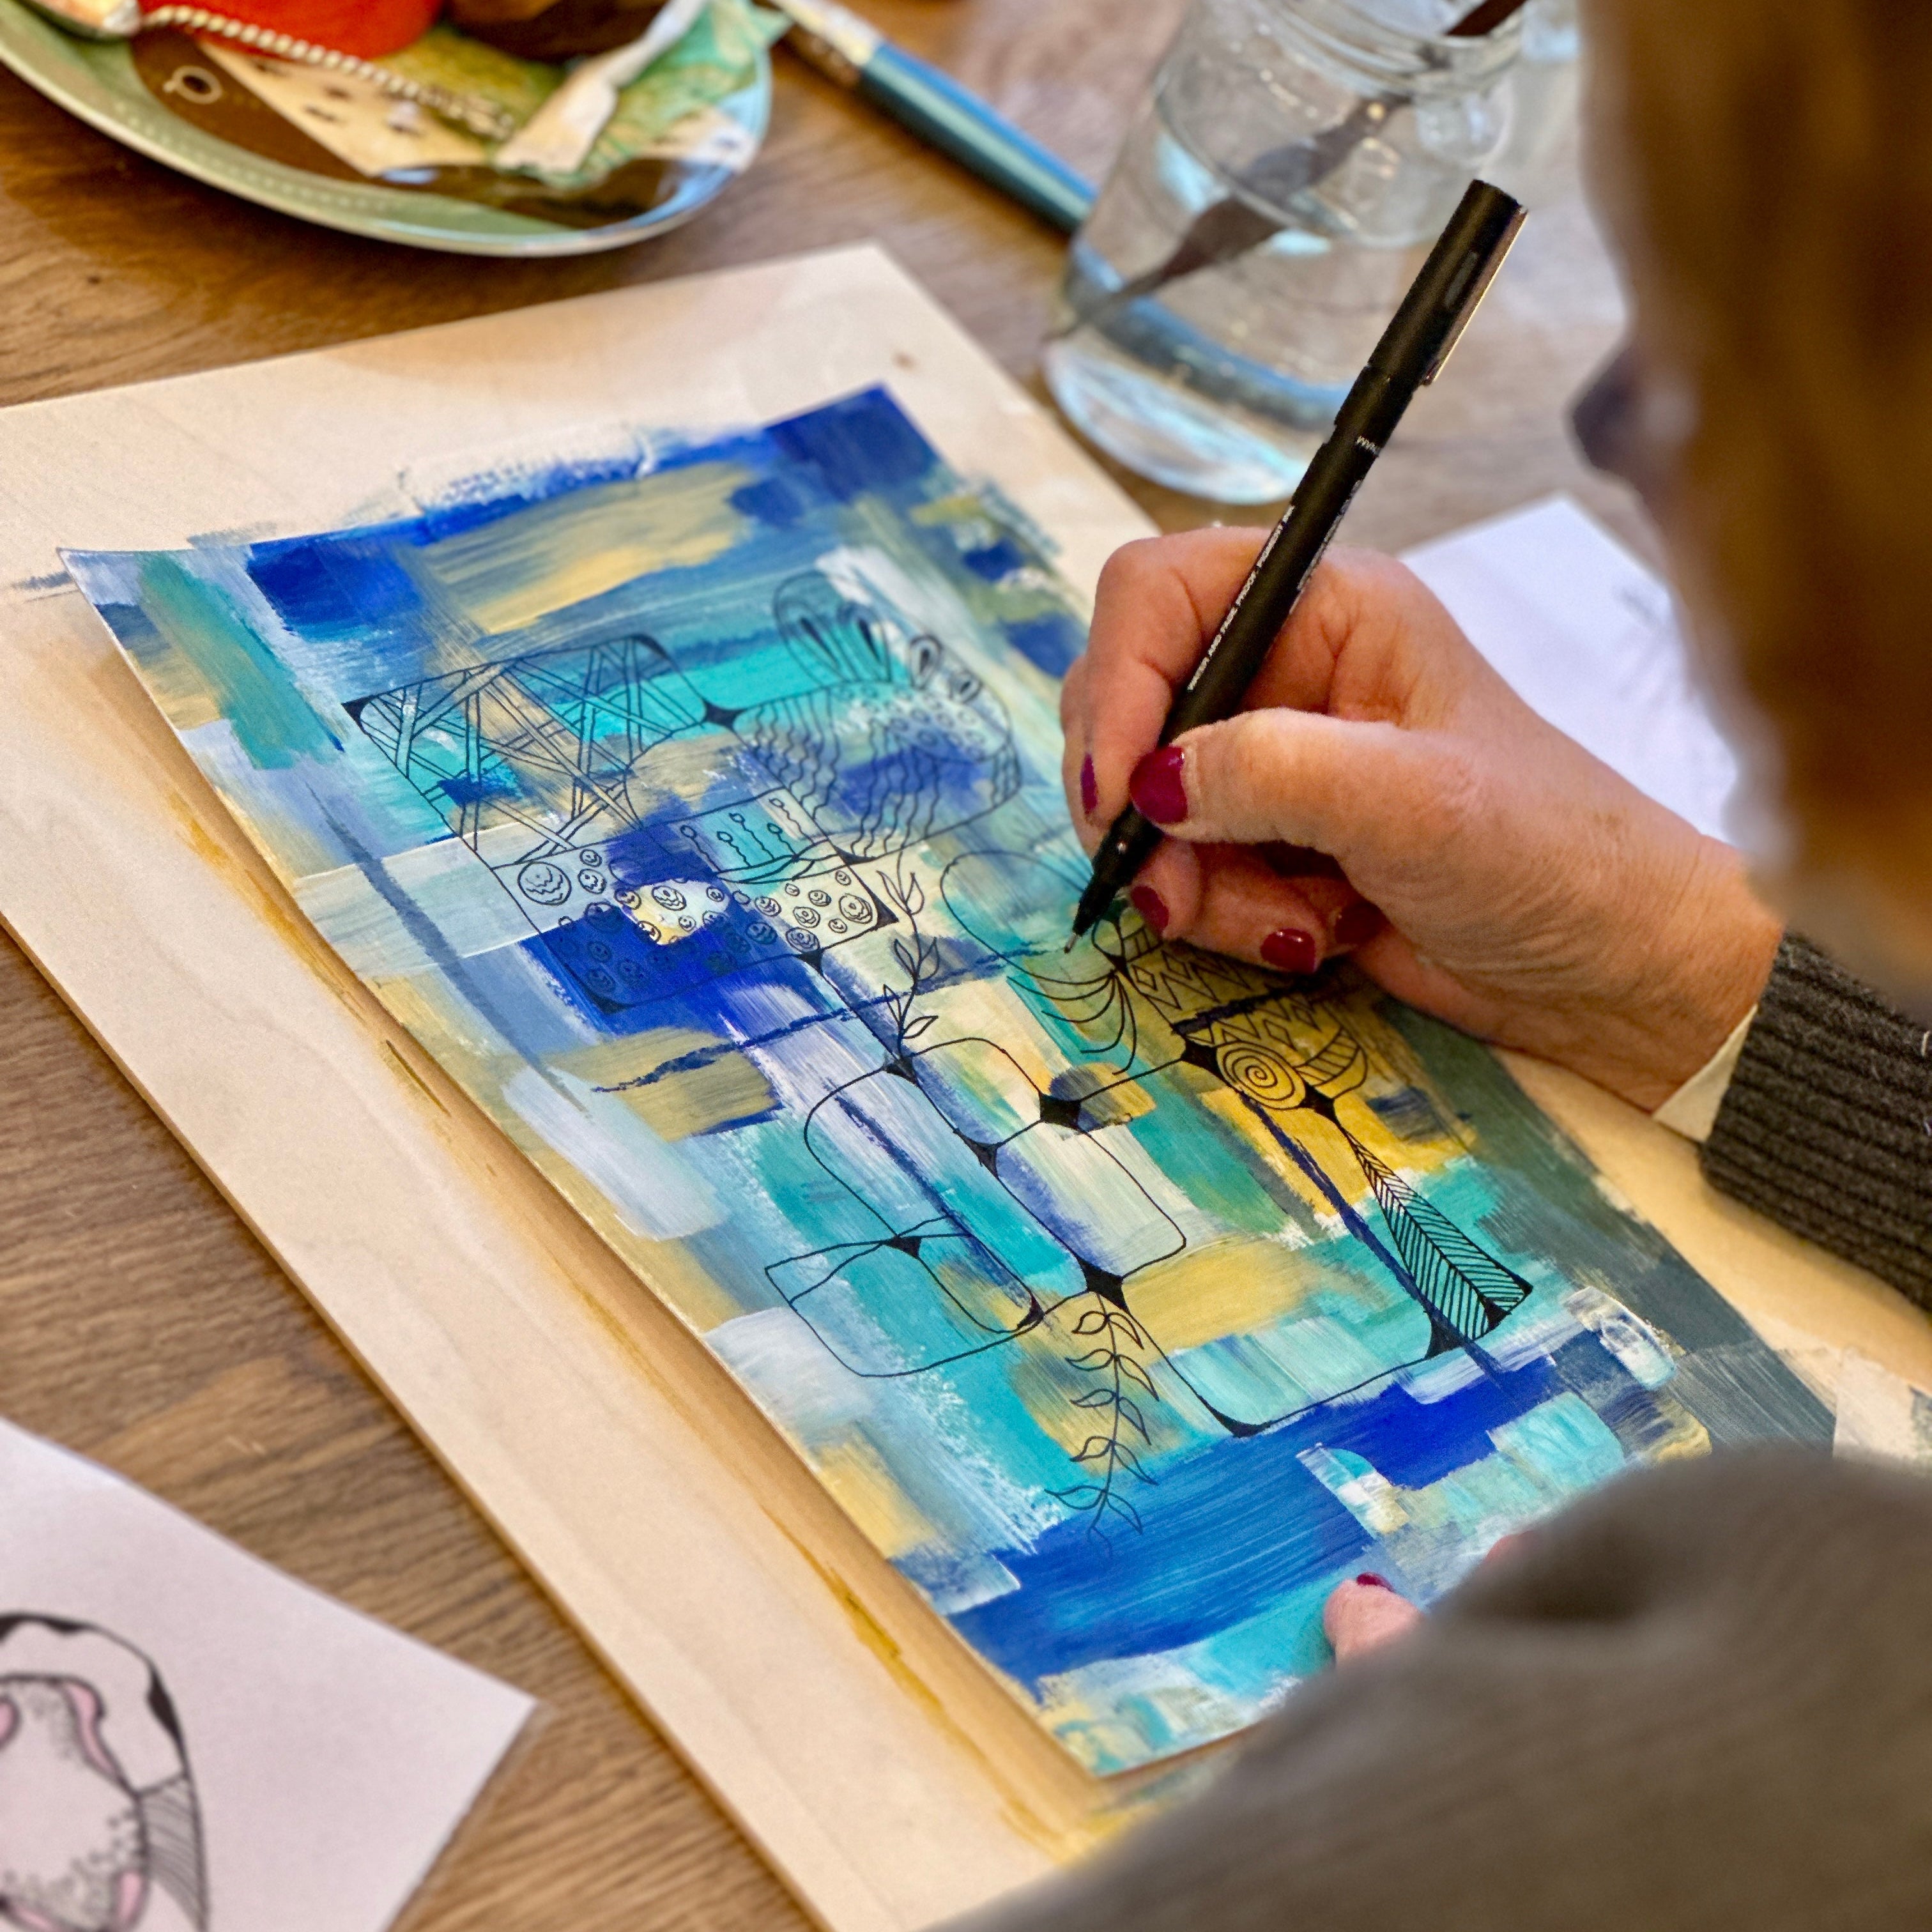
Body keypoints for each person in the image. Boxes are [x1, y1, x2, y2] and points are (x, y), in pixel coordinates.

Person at [960, 0, 1932, 1926]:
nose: (1650, 472)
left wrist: (1506, 1853)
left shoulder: (1829, 1677)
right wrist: (1689, 974)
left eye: (1722, 374)